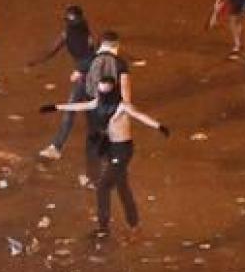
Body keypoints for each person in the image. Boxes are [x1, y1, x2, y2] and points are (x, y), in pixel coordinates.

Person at [41, 76, 168, 239]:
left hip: (122, 150)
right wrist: (55, 107)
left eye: (106, 90)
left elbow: (139, 115)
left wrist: (158, 126)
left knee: (103, 186)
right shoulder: (98, 103)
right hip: (111, 148)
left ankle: (104, 227)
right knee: (122, 187)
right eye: (101, 90)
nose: (103, 94)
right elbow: (80, 106)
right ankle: (134, 224)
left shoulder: (122, 106)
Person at [28, 5, 98, 162]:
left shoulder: (85, 35)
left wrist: (80, 70)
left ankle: (57, 147)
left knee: (72, 110)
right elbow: (53, 49)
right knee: (88, 112)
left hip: (89, 76)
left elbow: (94, 56)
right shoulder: (71, 33)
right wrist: (36, 61)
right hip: (85, 76)